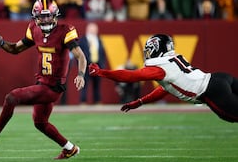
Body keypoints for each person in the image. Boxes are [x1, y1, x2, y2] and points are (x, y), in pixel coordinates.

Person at [0, 0, 87, 160]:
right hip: (41, 82)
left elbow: (81, 56)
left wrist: (81, 74)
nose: (45, 19)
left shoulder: (65, 30)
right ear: (35, 17)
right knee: (40, 122)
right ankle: (70, 148)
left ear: (55, 15)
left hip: (53, 87)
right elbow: (16, 49)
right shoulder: (34, 29)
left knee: (12, 97)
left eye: (48, 15)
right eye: (42, 16)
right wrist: (1, 42)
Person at [89, 34, 238, 123]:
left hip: (212, 91)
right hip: (220, 78)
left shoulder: (160, 67)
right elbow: (166, 89)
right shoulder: (172, 61)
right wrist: (140, 102)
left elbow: (131, 76)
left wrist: (102, 72)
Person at [79, 22, 105, 104]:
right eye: (92, 29)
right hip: (86, 66)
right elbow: (79, 54)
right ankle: (83, 101)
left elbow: (102, 53)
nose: (94, 31)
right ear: (88, 29)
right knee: (84, 84)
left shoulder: (99, 40)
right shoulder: (83, 40)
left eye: (95, 29)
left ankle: (97, 101)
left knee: (97, 84)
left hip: (97, 65)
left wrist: (102, 65)